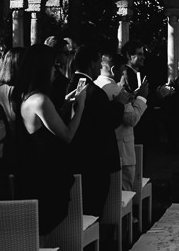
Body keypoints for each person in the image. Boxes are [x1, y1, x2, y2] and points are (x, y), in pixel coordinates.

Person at [13, 43, 87, 234]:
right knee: (44, 230)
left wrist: (64, 105)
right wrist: (81, 106)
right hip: (46, 176)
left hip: (32, 171)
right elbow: (67, 135)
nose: (56, 69)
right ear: (43, 67)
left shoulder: (25, 96)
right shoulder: (41, 100)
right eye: (53, 64)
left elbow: (44, 126)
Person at [67, 46, 127, 217]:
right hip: (96, 160)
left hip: (78, 155)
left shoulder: (75, 83)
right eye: (99, 62)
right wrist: (119, 104)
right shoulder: (93, 91)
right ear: (92, 63)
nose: (100, 67)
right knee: (94, 209)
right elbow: (108, 122)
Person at [94, 50, 149, 191]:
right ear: (113, 70)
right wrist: (142, 97)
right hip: (122, 150)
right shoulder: (115, 90)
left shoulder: (95, 85)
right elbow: (131, 118)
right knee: (124, 192)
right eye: (122, 71)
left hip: (102, 148)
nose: (123, 75)